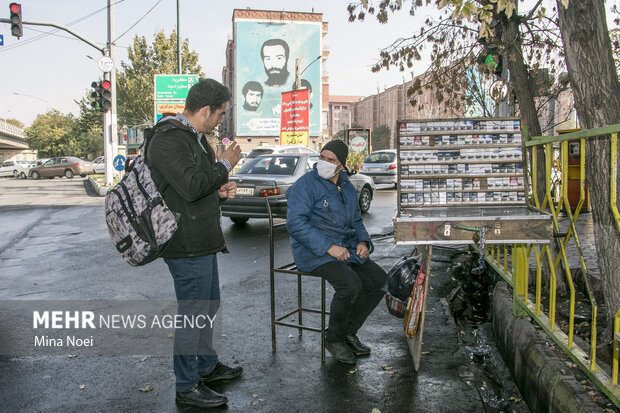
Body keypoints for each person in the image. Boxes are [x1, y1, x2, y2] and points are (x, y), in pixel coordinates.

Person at [147, 78, 243, 409]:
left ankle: (206, 366)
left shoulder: (195, 138)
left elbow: (197, 186)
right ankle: (186, 386)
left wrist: (219, 188)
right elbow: (189, 185)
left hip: (201, 238)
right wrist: (225, 164)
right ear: (205, 111)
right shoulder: (169, 138)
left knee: (208, 306)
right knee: (193, 314)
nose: (220, 121)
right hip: (184, 242)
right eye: (219, 115)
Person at [285, 140, 387, 365]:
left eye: (331, 160)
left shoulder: (347, 186)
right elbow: (295, 224)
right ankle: (334, 339)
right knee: (350, 285)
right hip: (313, 253)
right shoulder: (306, 185)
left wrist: (363, 242)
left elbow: (357, 220)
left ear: (341, 165)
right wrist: (328, 247)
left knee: (379, 281)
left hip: (345, 250)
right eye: (322, 157)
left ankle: (347, 332)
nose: (324, 163)